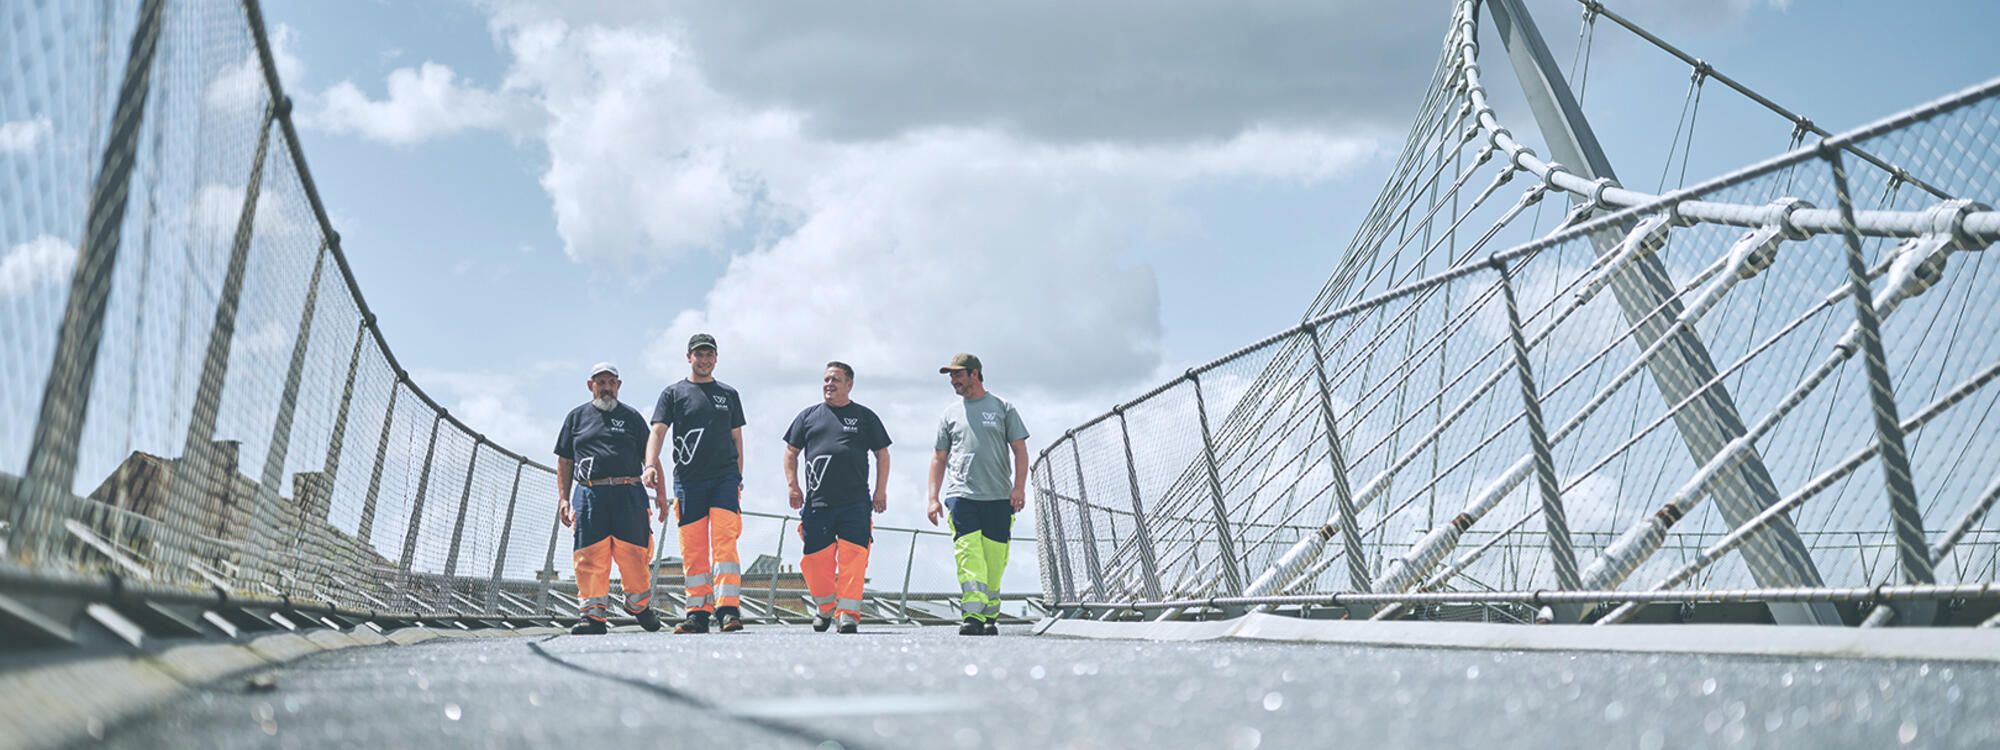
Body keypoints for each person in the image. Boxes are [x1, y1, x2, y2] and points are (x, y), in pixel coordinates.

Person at [644, 333, 749, 633]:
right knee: (693, 548)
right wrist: (650, 464)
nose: (704, 360)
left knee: (724, 542)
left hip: (725, 479)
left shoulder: (728, 394)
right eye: (698, 354)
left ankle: (728, 609)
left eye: (709, 355)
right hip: (689, 482)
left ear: (716, 358)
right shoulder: (673, 393)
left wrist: (738, 479)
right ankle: (698, 613)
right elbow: (658, 432)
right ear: (688, 357)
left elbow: (737, 439)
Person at [783, 361, 891, 634]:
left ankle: (848, 614)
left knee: (853, 559)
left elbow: (882, 454)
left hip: (855, 503)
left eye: (835, 380)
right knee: (814, 561)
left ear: (849, 385)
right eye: (826, 380)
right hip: (818, 504)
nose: (829, 384)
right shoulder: (808, 417)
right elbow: (790, 452)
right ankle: (825, 606)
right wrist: (793, 486)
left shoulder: (865, 417)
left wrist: (880, 490)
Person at [554, 363, 662, 635]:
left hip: (629, 493)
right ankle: (593, 616)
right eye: (600, 382)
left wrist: (661, 493)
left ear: (619, 386)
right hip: (590, 494)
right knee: (589, 556)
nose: (606, 388)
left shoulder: (632, 418)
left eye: (611, 382)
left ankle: (638, 605)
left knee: (636, 555)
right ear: (591, 386)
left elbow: (651, 457)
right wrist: (564, 499)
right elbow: (565, 461)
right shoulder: (575, 418)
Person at [926, 353, 1030, 636]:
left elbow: (1020, 451)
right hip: (961, 496)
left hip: (998, 497)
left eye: (957, 375)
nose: (953, 381)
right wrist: (933, 497)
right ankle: (971, 614)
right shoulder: (949, 414)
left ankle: (989, 614)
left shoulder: (1003, 408)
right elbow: (939, 457)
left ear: (974, 374)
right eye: (951, 376)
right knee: (968, 554)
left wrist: (1019, 487)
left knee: (994, 559)